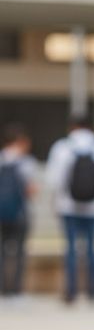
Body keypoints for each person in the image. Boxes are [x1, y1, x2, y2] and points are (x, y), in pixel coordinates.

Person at [46, 114, 94, 304]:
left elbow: (54, 180)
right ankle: (93, 292)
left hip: (68, 206)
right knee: (92, 248)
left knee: (70, 249)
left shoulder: (62, 148)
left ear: (72, 127)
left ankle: (71, 292)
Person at [0, 123, 38, 301]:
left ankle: (2, 290)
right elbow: (30, 190)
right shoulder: (25, 162)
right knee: (19, 252)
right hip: (20, 214)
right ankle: (16, 290)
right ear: (21, 141)